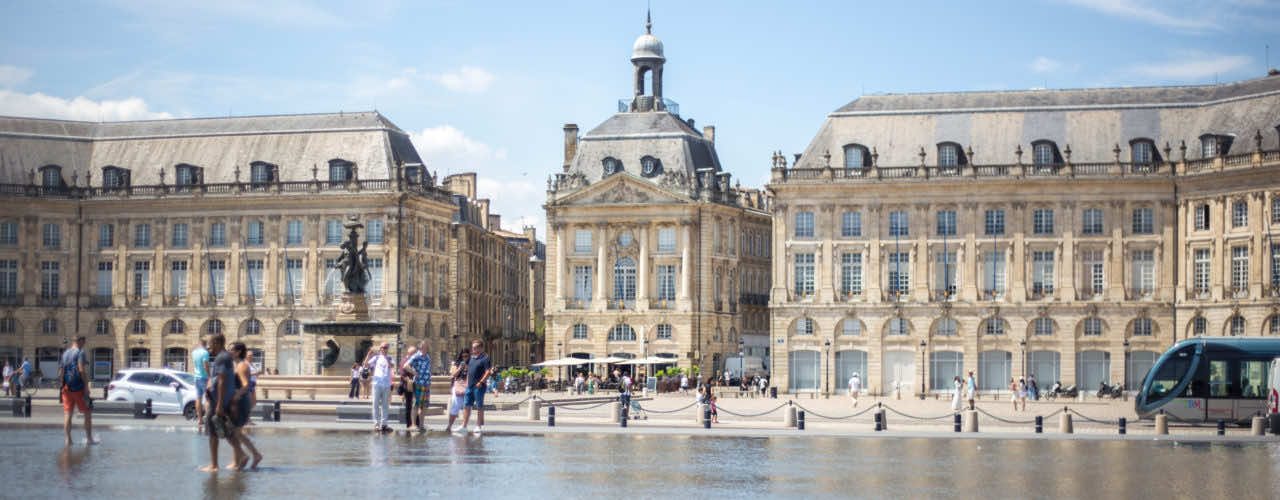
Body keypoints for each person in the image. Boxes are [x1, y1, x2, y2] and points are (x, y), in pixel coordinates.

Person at [201, 333, 244, 472]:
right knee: (225, 430)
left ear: (218, 343)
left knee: (213, 432)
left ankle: (214, 465)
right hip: (222, 399)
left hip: (219, 400)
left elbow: (221, 381)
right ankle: (242, 455)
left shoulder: (221, 358)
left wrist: (219, 404)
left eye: (211, 344)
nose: (209, 348)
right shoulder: (225, 357)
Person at [228, 343, 263, 469]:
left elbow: (246, 385)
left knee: (234, 432)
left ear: (238, 352)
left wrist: (236, 396)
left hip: (241, 402)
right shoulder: (238, 365)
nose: (228, 352)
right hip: (241, 401)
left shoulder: (242, 366)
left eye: (231, 350)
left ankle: (249, 456)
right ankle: (243, 458)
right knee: (236, 432)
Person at [59, 336, 96, 446]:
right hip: (78, 387)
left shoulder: (65, 354)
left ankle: (68, 440)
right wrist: (86, 386)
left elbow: (60, 372)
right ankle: (89, 439)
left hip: (66, 388)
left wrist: (63, 386)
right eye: (83, 342)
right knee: (87, 413)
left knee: (68, 414)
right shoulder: (80, 352)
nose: (84, 344)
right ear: (79, 341)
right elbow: (81, 369)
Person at [457, 340, 492, 435]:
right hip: (470, 386)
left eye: (475, 347)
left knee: (479, 406)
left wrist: (481, 382)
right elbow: (469, 370)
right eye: (473, 347)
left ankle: (478, 426)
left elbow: (488, 371)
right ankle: (464, 426)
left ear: (480, 348)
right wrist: (467, 382)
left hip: (479, 386)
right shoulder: (472, 358)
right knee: (466, 405)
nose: (473, 349)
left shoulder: (485, 359)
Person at [363, 343, 394, 433]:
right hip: (377, 383)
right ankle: (376, 424)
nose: (384, 349)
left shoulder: (391, 358)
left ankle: (384, 424)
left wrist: (387, 359)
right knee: (375, 404)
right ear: (380, 349)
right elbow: (365, 365)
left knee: (385, 405)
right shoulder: (376, 358)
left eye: (386, 348)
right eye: (383, 348)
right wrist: (368, 356)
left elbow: (391, 366)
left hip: (386, 384)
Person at [406, 342, 432, 433]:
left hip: (426, 384)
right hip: (418, 383)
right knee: (416, 404)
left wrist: (429, 382)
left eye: (426, 347)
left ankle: (421, 425)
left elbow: (429, 370)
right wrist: (414, 373)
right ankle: (413, 424)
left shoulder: (427, 357)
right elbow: (406, 366)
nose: (426, 348)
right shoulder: (416, 356)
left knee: (424, 405)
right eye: (425, 346)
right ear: (420, 347)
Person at [444, 349, 470, 434]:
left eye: (466, 356)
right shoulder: (457, 363)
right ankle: (449, 426)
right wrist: (460, 368)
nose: (464, 358)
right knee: (455, 406)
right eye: (463, 356)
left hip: (467, 387)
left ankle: (463, 426)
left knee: (467, 408)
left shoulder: (471, 364)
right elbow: (453, 374)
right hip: (458, 386)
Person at [192, 340, 210, 428]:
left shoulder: (194, 352)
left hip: (196, 377)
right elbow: (205, 364)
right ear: (205, 345)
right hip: (204, 377)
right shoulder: (205, 353)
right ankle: (208, 419)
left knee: (198, 398)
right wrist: (209, 376)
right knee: (207, 398)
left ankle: (200, 419)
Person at [399, 346, 418, 430]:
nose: (415, 355)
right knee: (409, 405)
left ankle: (416, 423)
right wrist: (410, 380)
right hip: (408, 386)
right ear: (409, 353)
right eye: (414, 353)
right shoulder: (404, 361)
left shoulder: (413, 361)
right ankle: (409, 424)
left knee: (415, 404)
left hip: (414, 384)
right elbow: (402, 374)